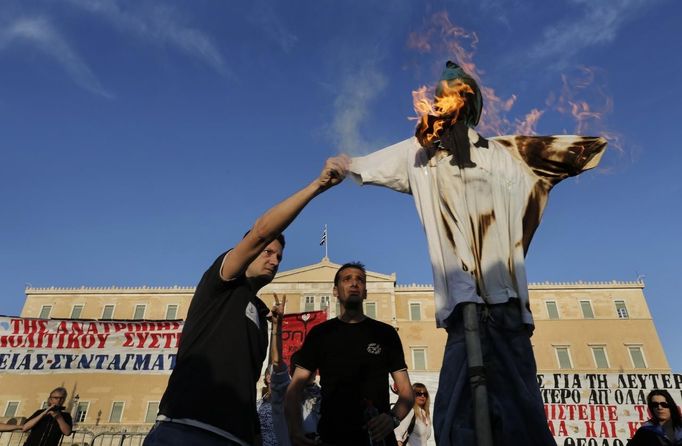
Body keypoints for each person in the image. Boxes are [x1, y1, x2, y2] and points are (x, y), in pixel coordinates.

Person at [349, 61, 607, 446]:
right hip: (460, 312)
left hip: (506, 311)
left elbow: (584, 149)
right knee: (455, 423)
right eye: (440, 97)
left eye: (455, 94)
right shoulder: (419, 155)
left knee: (523, 424)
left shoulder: (508, 154)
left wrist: (592, 146)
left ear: (469, 104)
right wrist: (340, 166)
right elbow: (360, 167)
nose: (445, 103)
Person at [144, 155, 349, 446]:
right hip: (186, 429)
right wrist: (317, 185)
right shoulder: (221, 283)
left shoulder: (261, 313)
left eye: (279, 256)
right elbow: (261, 231)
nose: (274, 259)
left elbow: (251, 380)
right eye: (267, 252)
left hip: (235, 437)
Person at [285, 262, 415, 446]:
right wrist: (295, 433)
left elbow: (407, 392)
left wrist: (392, 418)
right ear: (335, 291)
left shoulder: (386, 334)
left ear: (365, 292)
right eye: (347, 279)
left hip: (377, 440)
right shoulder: (320, 334)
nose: (354, 283)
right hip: (332, 437)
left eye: (360, 280)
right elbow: (294, 390)